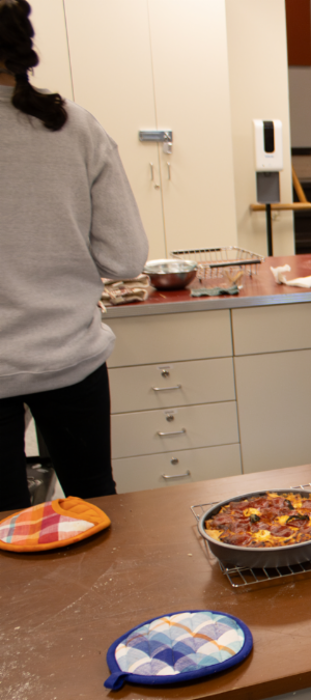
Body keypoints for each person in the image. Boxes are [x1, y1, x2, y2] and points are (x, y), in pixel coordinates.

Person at [0, 0, 148, 512]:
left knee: (5, 526)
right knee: (95, 505)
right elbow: (126, 256)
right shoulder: (75, 126)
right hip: (70, 356)